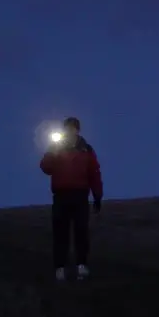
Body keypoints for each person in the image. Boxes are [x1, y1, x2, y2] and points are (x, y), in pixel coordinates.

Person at [39, 116, 103, 282]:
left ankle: (82, 265)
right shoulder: (56, 147)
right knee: (61, 233)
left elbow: (94, 173)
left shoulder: (86, 149)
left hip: (80, 195)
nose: (70, 131)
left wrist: (97, 196)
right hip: (61, 196)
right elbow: (46, 168)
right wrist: (52, 152)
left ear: (77, 130)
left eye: (73, 128)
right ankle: (60, 268)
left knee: (81, 231)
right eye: (67, 128)